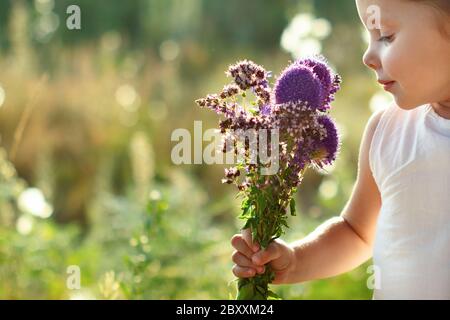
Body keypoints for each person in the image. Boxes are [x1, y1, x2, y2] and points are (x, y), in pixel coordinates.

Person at [231, 0, 450, 299]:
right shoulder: (387, 132)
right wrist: (295, 261)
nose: (368, 56)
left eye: (386, 36)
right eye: (369, 37)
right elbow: (357, 233)